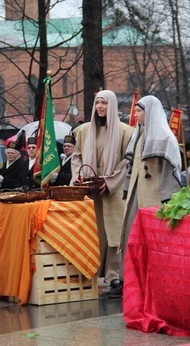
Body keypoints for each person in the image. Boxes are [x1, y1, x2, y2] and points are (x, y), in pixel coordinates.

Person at [116, 95, 182, 298]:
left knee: (153, 241)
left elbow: (170, 172)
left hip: (154, 199)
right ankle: (129, 280)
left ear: (150, 112)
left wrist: (167, 200)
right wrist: (127, 190)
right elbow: (131, 167)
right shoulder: (138, 135)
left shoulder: (164, 138)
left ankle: (153, 282)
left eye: (139, 111)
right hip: (136, 194)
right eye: (135, 111)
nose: (135, 115)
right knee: (131, 237)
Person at [71, 90, 134, 297]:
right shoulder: (82, 131)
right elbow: (77, 157)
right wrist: (81, 178)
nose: (99, 107)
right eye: (97, 102)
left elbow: (127, 162)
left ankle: (115, 277)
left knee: (115, 233)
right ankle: (92, 273)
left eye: (104, 103)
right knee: (93, 233)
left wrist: (108, 181)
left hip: (112, 192)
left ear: (112, 106)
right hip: (90, 192)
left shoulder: (126, 132)